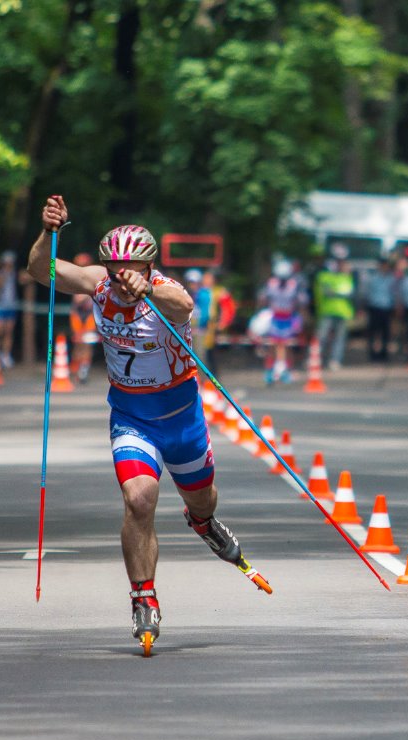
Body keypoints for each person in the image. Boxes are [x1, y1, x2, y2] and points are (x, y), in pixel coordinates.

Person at [25, 195, 254, 648]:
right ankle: (144, 597)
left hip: (181, 415)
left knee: (203, 499)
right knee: (139, 498)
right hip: (132, 416)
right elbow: (41, 271)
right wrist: (49, 232)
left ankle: (204, 524)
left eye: (131, 267)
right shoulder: (100, 286)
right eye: (114, 267)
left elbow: (183, 304)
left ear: (150, 266)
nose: (120, 275)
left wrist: (148, 289)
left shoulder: (164, 293)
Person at [259, 258, 308, 384]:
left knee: (287, 345)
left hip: (288, 317)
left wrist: (300, 317)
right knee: (273, 345)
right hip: (275, 316)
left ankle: (286, 370)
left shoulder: (294, 284)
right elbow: (263, 298)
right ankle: (270, 370)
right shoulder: (271, 284)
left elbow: (302, 301)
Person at [313, 247, 355, 371]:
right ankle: (316, 359)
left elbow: (348, 293)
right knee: (321, 337)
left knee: (339, 339)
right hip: (326, 311)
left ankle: (335, 360)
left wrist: (334, 292)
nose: (340, 264)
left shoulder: (347, 277)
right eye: (338, 261)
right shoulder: (324, 275)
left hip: (342, 312)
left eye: (342, 261)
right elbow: (325, 291)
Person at [0, 251, 20, 368]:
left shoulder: (15, 274)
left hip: (11, 306)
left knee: (9, 332)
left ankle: (5, 355)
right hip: (0, 305)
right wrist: (5, 275)